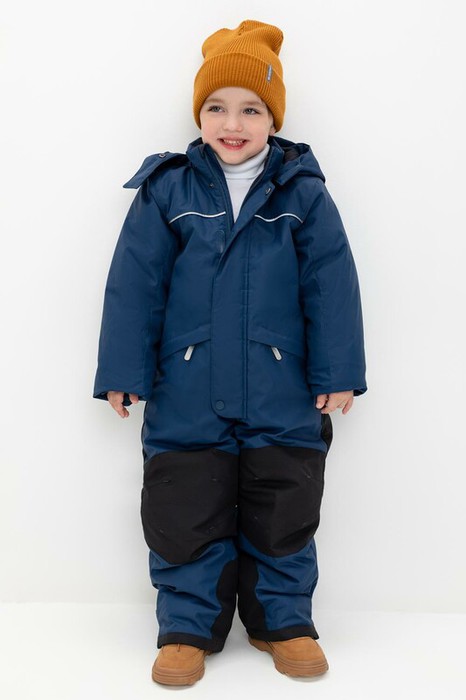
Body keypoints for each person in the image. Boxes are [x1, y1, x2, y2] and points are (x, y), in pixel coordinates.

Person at [93, 19, 367, 686]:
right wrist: (124, 372)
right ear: (199, 115)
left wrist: (339, 373)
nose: (233, 123)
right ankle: (187, 629)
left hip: (284, 391)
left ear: (273, 118)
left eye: (251, 109)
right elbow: (135, 285)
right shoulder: (169, 190)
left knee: (285, 508)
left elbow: (331, 285)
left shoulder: (302, 193)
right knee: (184, 510)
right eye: (217, 107)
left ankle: (284, 623)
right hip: (186, 390)